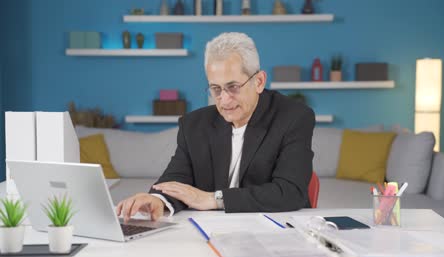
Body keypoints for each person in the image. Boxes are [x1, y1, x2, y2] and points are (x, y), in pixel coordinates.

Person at [116, 32, 315, 223]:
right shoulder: (194, 125)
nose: (224, 100)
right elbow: (176, 180)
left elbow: (290, 191)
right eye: (216, 89)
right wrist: (157, 200)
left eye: (233, 87)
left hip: (273, 232)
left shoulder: (294, 118)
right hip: (211, 233)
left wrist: (213, 199)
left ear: (259, 82)